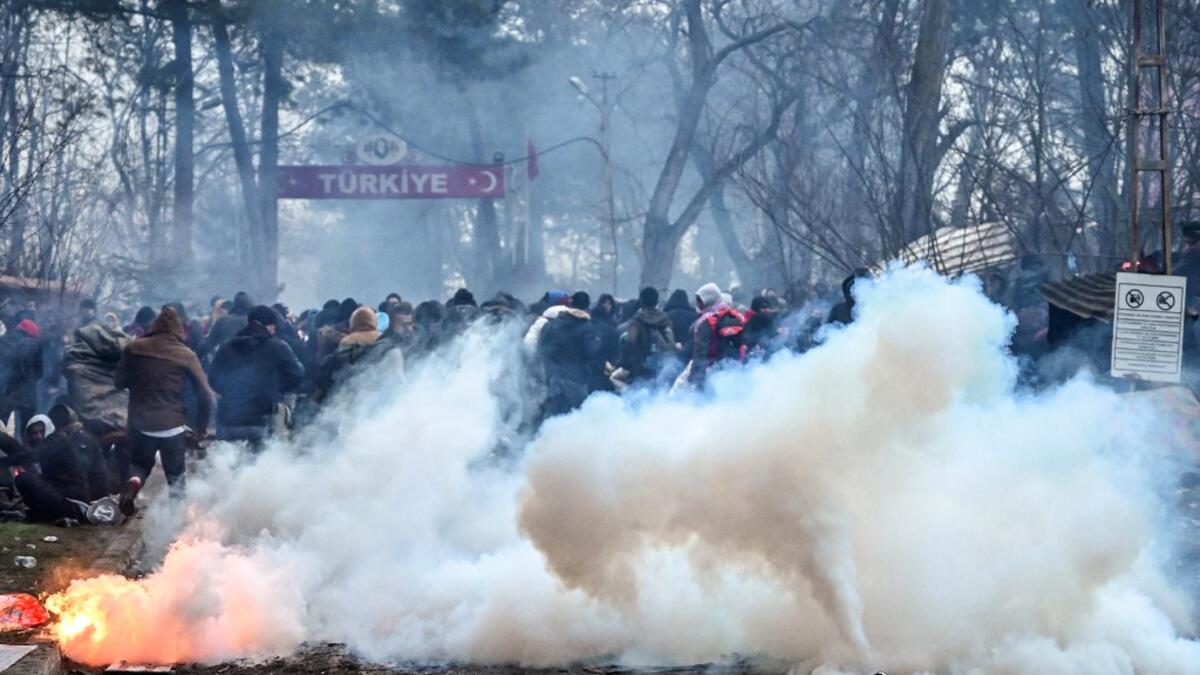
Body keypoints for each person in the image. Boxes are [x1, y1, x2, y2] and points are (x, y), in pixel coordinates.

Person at [114, 307, 213, 512]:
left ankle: (133, 484)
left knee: (140, 466)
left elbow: (118, 382)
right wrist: (201, 427)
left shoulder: (133, 348)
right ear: (179, 329)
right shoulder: (186, 354)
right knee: (176, 479)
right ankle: (174, 521)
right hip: (172, 426)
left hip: (140, 423)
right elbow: (205, 394)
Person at [208, 305, 304, 446]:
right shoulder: (278, 346)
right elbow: (297, 375)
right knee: (262, 460)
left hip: (228, 419)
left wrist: (231, 392)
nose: (274, 330)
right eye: (273, 326)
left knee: (229, 460)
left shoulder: (226, 347)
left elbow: (213, 379)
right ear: (268, 325)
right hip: (264, 418)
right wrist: (276, 389)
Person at [537, 292, 600, 417]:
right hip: (576, 378)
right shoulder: (586, 327)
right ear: (587, 307)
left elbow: (541, 347)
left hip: (553, 377)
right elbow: (590, 352)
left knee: (553, 414)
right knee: (575, 415)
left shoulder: (552, 324)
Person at [688, 282, 746, 387]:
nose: (698, 304)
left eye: (700, 300)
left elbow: (701, 351)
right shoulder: (735, 316)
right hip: (734, 370)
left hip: (711, 371)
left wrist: (695, 378)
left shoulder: (706, 321)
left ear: (708, 300)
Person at [618, 286, 676, 384]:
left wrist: (625, 364)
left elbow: (630, 342)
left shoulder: (636, 321)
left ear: (641, 301)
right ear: (656, 302)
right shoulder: (664, 320)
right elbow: (671, 343)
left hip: (639, 367)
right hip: (660, 366)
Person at [199, 291, 254, 359]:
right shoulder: (255, 321)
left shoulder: (223, 321)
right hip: (249, 362)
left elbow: (208, 344)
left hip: (226, 360)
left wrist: (196, 357)